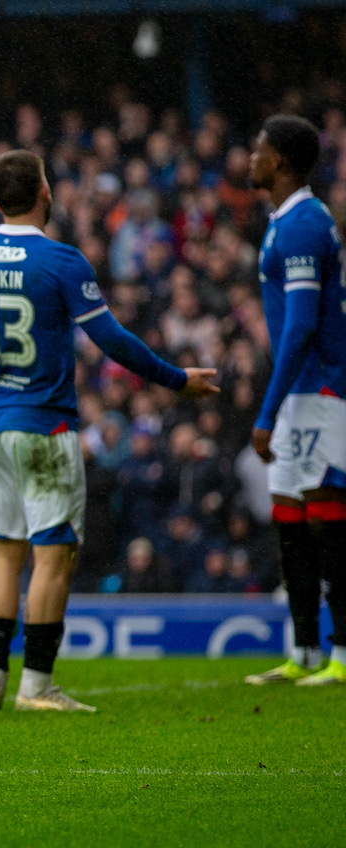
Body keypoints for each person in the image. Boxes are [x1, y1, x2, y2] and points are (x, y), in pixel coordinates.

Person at [0, 149, 217, 711]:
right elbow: (111, 339)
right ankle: (36, 686)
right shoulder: (61, 260)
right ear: (45, 192)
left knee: (4, 552)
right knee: (53, 554)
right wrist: (175, 379)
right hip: (44, 424)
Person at [245, 115, 346, 686]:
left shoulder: (305, 224)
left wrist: (266, 411)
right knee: (289, 517)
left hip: (321, 391)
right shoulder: (285, 220)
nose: (250, 157)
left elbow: (303, 323)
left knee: (329, 520)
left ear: (280, 160)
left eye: (258, 149)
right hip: (297, 394)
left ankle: (343, 654)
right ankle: (304, 650)